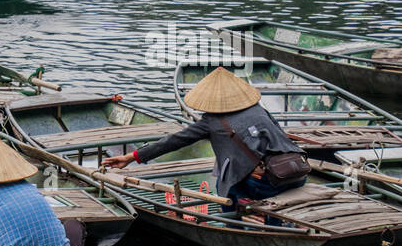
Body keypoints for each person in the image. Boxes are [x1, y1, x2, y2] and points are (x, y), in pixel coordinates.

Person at [104, 67, 308, 218]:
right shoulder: (258, 109)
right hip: (297, 173)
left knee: (223, 181)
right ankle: (267, 217)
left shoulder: (211, 121)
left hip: (266, 185)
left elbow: (174, 142)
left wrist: (132, 156)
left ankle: (230, 220)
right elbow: (280, 136)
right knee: (239, 168)